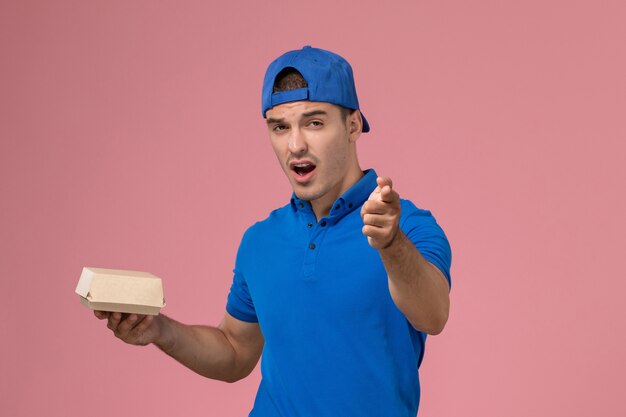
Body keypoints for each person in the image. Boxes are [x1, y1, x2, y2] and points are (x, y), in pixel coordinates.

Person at [95, 46, 452, 417]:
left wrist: (391, 243)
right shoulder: (260, 241)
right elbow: (235, 351)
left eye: (314, 122)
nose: (295, 145)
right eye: (280, 127)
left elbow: (432, 316)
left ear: (353, 125)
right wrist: (161, 331)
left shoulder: (408, 225)